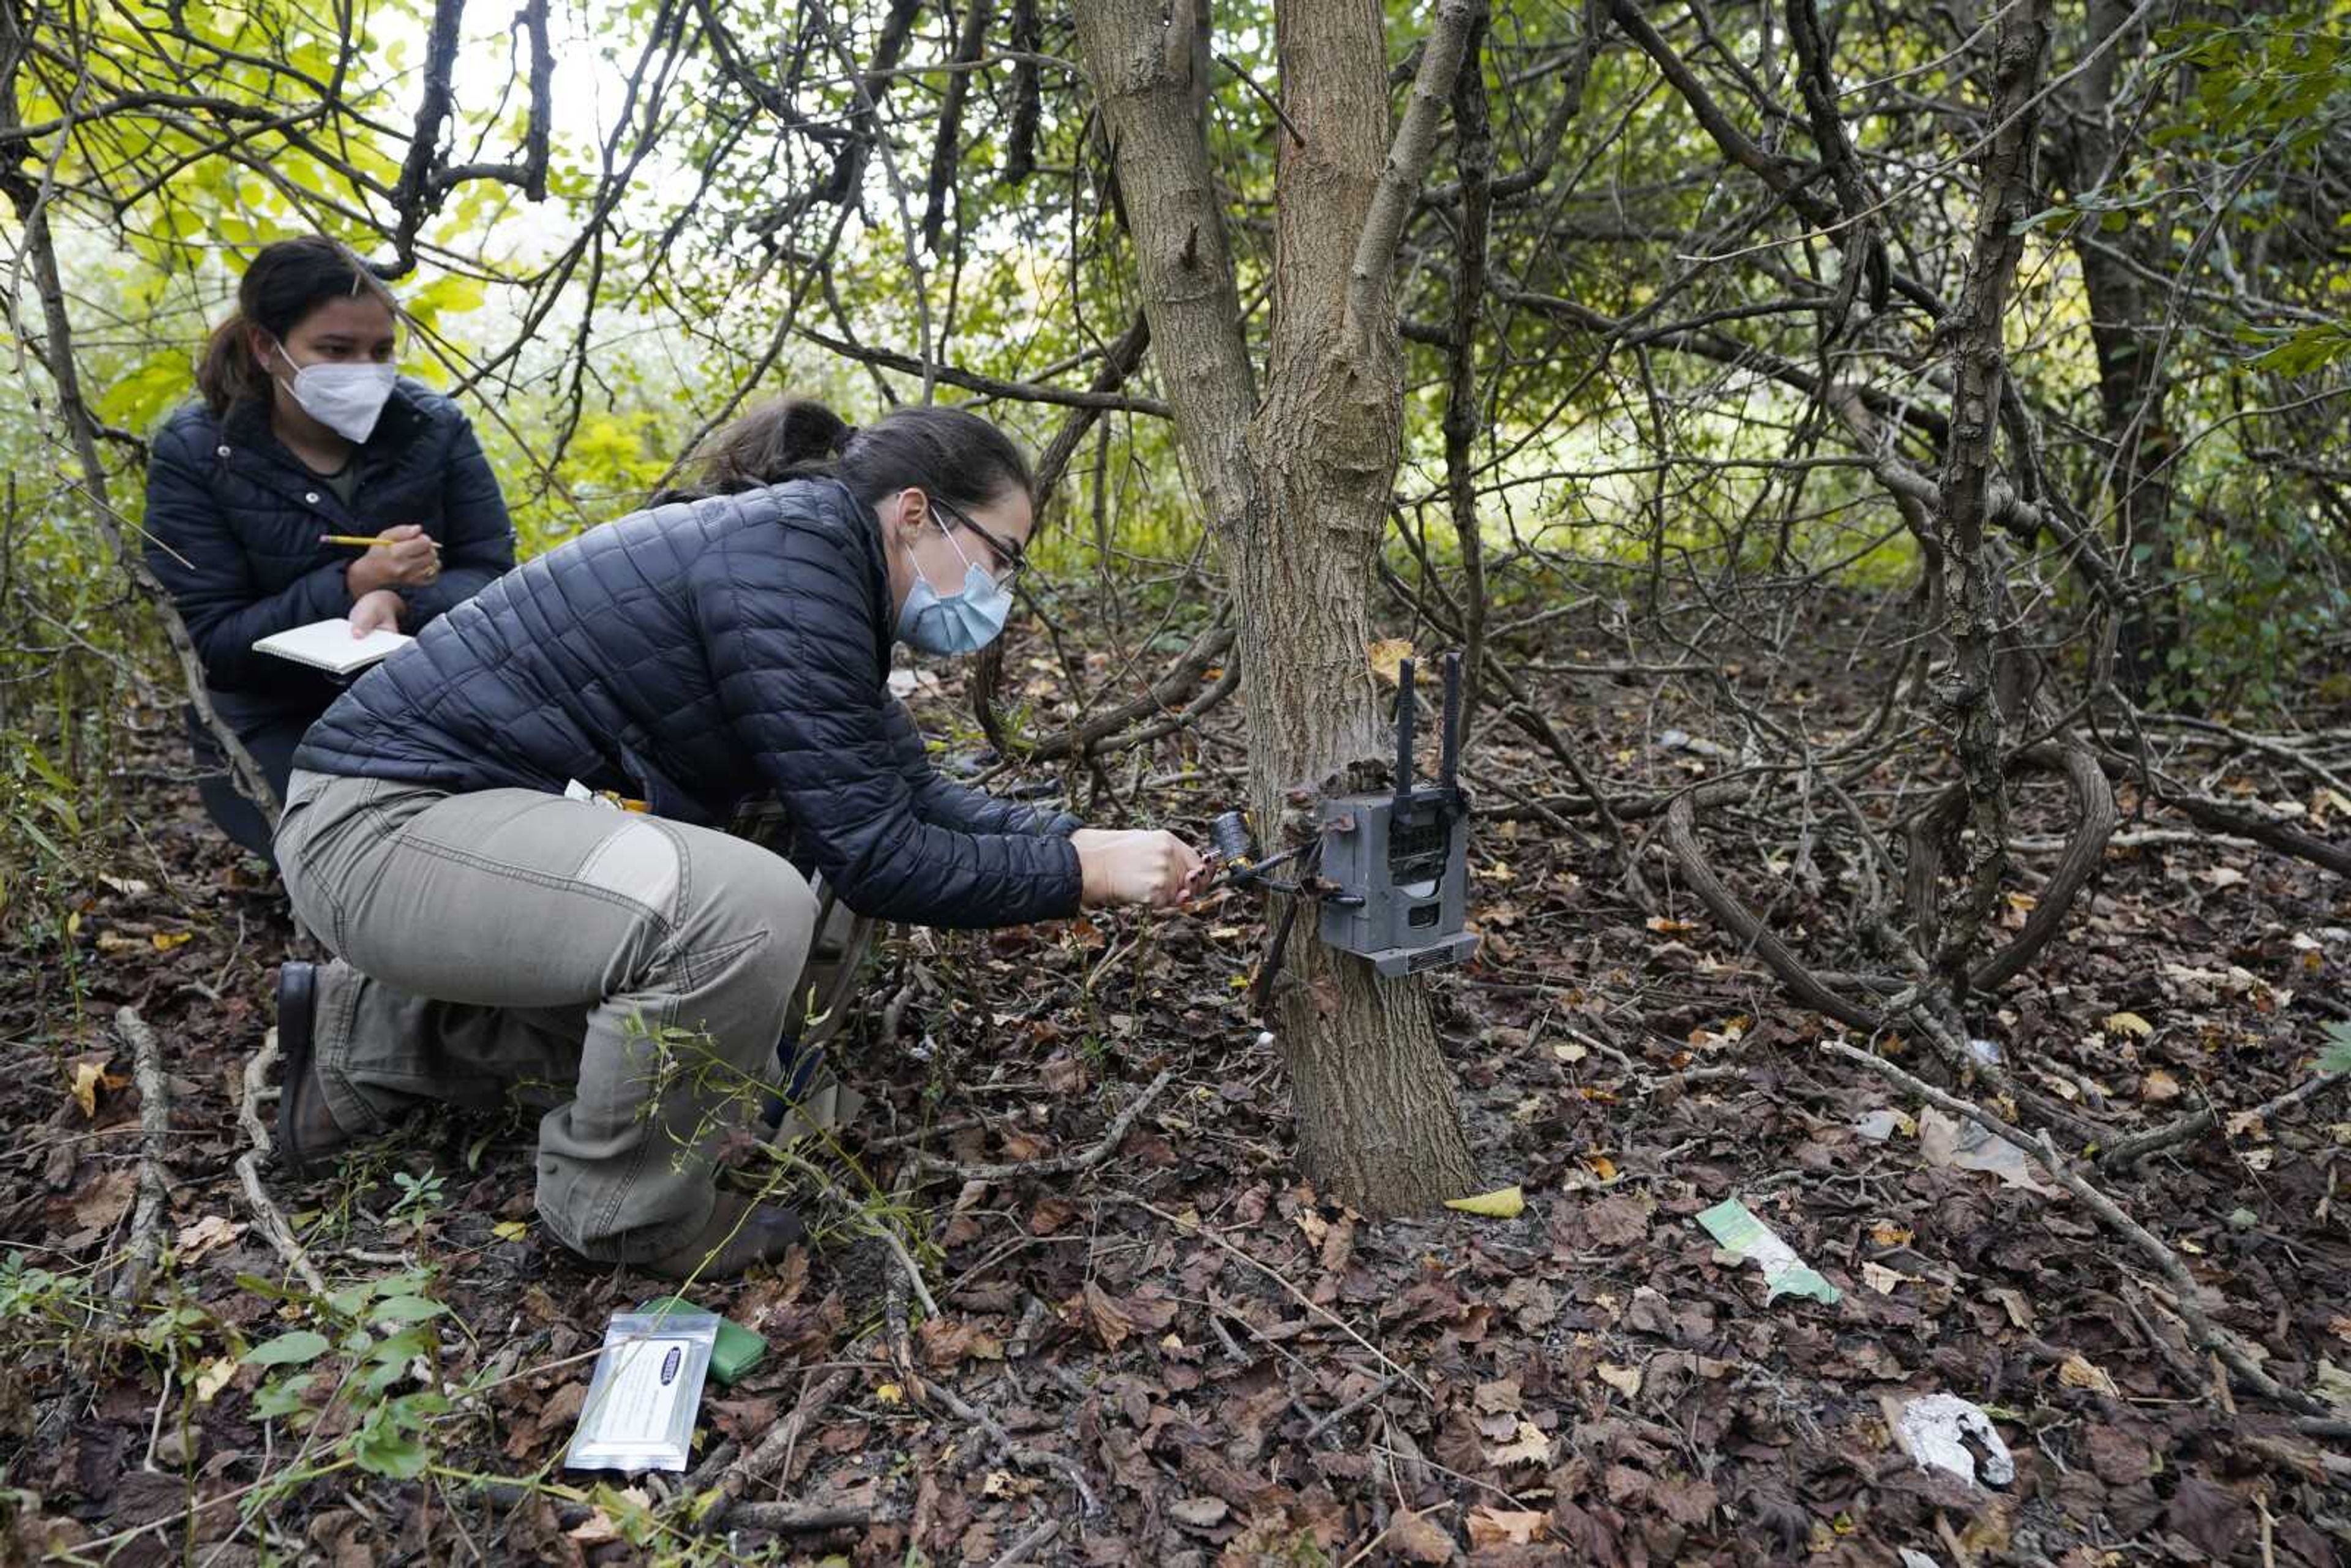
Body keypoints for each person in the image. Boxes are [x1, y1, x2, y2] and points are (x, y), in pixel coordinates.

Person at [270, 398, 1205, 1278]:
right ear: (916, 514)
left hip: (437, 828)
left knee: (731, 1043)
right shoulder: (793, 561)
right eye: (1003, 556)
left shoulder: (808, 562)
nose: (1000, 588)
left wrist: (1082, 836)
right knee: (743, 909)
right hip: (381, 828)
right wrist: (1077, 873)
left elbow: (906, 791)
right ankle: (623, 1211)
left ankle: (361, 1040)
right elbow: (882, 858)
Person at [143, 235, 516, 863]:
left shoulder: (433, 428)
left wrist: (397, 601)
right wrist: (350, 586)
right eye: (336, 351)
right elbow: (217, 644)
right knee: (357, 851)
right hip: (272, 714)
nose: (364, 371)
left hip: (420, 695)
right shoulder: (200, 453)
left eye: (381, 351)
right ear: (267, 347)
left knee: (496, 835)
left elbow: (494, 577)